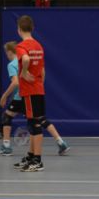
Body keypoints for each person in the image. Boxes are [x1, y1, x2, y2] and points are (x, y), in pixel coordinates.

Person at [13, 16, 69, 173]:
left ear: (19, 29)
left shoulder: (21, 46)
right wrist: (39, 84)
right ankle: (31, 156)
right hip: (37, 88)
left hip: (29, 90)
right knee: (34, 122)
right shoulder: (38, 46)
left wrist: (24, 72)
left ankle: (37, 160)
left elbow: (25, 59)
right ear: (32, 28)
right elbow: (42, 70)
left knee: (34, 125)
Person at [0, 42, 69, 158]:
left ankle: (6, 146)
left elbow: (15, 82)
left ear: (9, 52)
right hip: (32, 94)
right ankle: (60, 142)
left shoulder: (12, 64)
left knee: (7, 117)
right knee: (41, 119)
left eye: (6, 52)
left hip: (21, 96)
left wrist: (4, 96)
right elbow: (42, 71)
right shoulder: (29, 60)